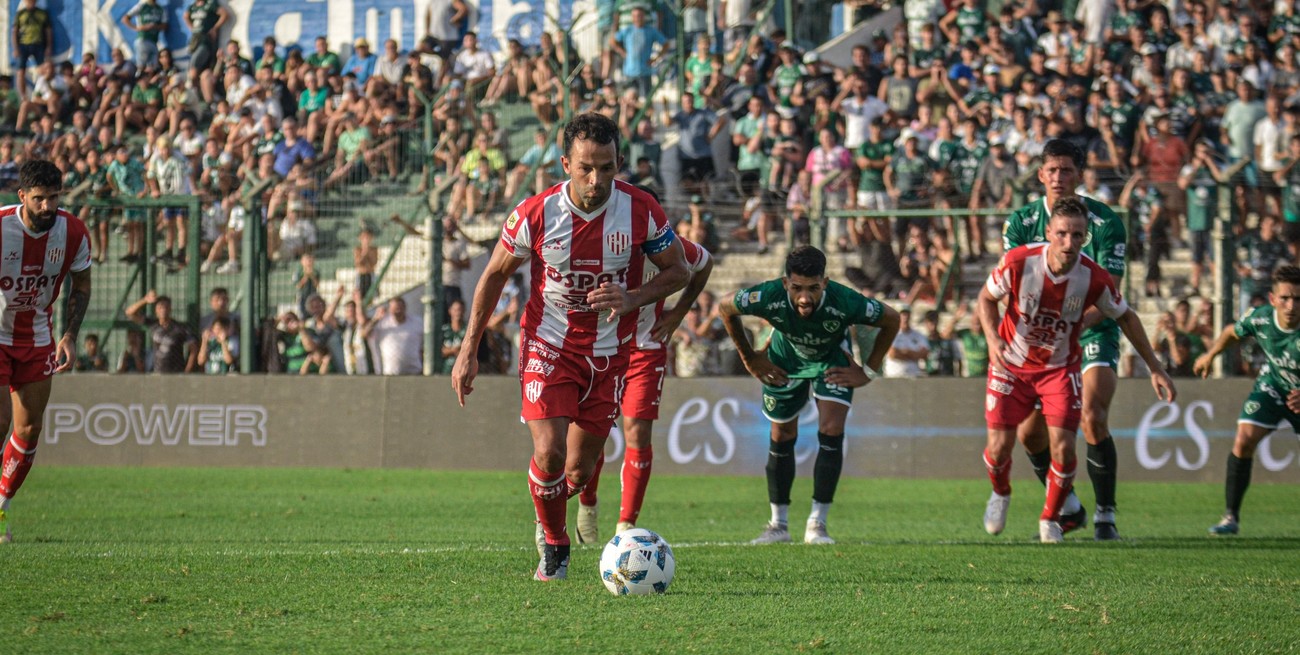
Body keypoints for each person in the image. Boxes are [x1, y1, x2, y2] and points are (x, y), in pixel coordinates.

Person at [450, 112, 690, 582]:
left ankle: (550, 511)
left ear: (619, 162)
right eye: (586, 168)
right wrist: (468, 348)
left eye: (606, 167)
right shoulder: (536, 213)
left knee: (577, 473)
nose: (596, 179)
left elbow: (679, 270)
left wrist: (633, 298)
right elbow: (494, 275)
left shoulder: (641, 209)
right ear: (565, 164)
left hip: (610, 353)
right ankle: (556, 548)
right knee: (550, 453)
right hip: (549, 346)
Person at [980, 198, 1174, 544]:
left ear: (1086, 237)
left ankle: (1050, 519)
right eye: (1062, 234)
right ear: (1049, 232)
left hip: (1058, 369)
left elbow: (1126, 317)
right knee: (998, 448)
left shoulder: (1093, 277)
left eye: (1077, 235)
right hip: (1012, 365)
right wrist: (993, 340)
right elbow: (985, 298)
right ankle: (1001, 492)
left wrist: (1155, 367)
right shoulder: (1019, 261)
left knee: (1065, 447)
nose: (1069, 242)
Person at [719, 245, 899, 545]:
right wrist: (749, 357)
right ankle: (778, 525)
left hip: (831, 358)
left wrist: (868, 370)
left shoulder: (845, 300)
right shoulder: (768, 295)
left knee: (831, 429)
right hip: (785, 359)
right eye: (797, 288)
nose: (805, 298)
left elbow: (892, 319)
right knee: (781, 434)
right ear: (785, 283)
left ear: (825, 283)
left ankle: (818, 524)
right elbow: (726, 307)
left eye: (813, 288)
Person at [1002, 139, 1130, 540]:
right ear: (1041, 174)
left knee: (1092, 415)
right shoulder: (1021, 222)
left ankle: (1106, 516)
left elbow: (1111, 293)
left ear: (1080, 175)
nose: (1059, 177)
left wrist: (1072, 327)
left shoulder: (1105, 223)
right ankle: (1070, 507)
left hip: (1092, 328)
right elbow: (1009, 288)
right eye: (1052, 170)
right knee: (1029, 434)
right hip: (1038, 341)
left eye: (1067, 170)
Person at [574, 233, 713, 546]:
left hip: (646, 348)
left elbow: (705, 264)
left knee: (637, 430)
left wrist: (678, 313)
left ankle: (626, 525)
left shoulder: (666, 244)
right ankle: (588, 503)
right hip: (603, 347)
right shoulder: (603, 241)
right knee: (594, 430)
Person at [0, 160, 94, 543]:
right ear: (22, 195)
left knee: (29, 428)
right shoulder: (1, 227)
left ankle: (1, 507)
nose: (47, 206)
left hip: (38, 339)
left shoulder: (73, 232)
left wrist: (69, 335)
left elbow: (81, 286)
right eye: (39, 198)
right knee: (0, 423)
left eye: (54, 197)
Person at [1194, 265, 1300, 536]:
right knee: (1244, 439)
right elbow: (1232, 332)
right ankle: (1230, 517)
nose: (1291, 306)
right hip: (1274, 385)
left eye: (1298, 299)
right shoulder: (1261, 318)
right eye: (1285, 298)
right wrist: (1210, 355)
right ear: (1272, 299)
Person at [126, 291, 198, 373]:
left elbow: (194, 349)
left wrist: (187, 371)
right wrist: (145, 300)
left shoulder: (180, 328)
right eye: (160, 307)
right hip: (158, 372)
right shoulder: (152, 324)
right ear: (156, 310)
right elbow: (129, 313)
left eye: (166, 307)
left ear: (170, 309)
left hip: (176, 372)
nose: (163, 310)